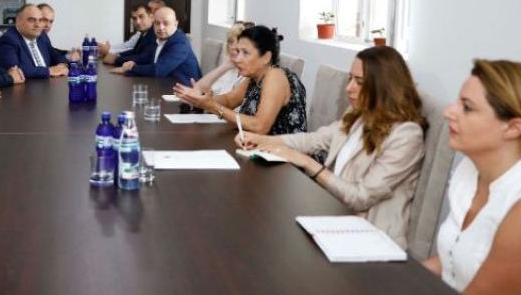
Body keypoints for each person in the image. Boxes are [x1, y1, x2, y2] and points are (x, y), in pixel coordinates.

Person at [236, 46, 426, 248]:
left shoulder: (406, 135)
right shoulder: (358, 114)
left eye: (360, 82)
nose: (349, 88)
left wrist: (307, 162)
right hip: (337, 219)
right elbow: (314, 140)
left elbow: (360, 197)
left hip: (372, 238)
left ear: (384, 87)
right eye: (350, 79)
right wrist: (260, 140)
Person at [423, 60, 521, 295]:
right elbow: (452, 259)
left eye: (467, 107)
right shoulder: (468, 171)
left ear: (513, 128)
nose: (449, 112)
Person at [174, 25, 305, 133]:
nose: (237, 59)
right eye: (238, 51)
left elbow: (259, 126)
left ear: (266, 57)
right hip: (253, 147)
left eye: (245, 53)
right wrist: (200, 100)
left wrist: (212, 106)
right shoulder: (255, 76)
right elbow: (230, 100)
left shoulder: (275, 77)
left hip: (281, 155)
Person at [110, 7, 201, 85]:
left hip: (184, 92)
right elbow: (146, 57)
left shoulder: (180, 43)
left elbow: (159, 70)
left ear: (176, 24)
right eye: (157, 23)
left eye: (166, 23)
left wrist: (130, 69)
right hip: (165, 85)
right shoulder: (159, 39)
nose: (161, 27)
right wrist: (132, 63)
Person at [0, 4, 70, 78]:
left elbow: (55, 55)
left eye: (40, 20)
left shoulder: (42, 36)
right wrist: (49, 71)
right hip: (23, 86)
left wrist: (62, 65)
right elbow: (15, 71)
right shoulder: (8, 40)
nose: (37, 25)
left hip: (46, 83)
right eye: (32, 20)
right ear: (18, 21)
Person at [193, 21, 255, 96]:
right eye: (230, 42)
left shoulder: (250, 75)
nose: (232, 47)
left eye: (238, 42)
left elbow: (230, 101)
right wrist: (225, 66)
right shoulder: (230, 69)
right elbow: (200, 89)